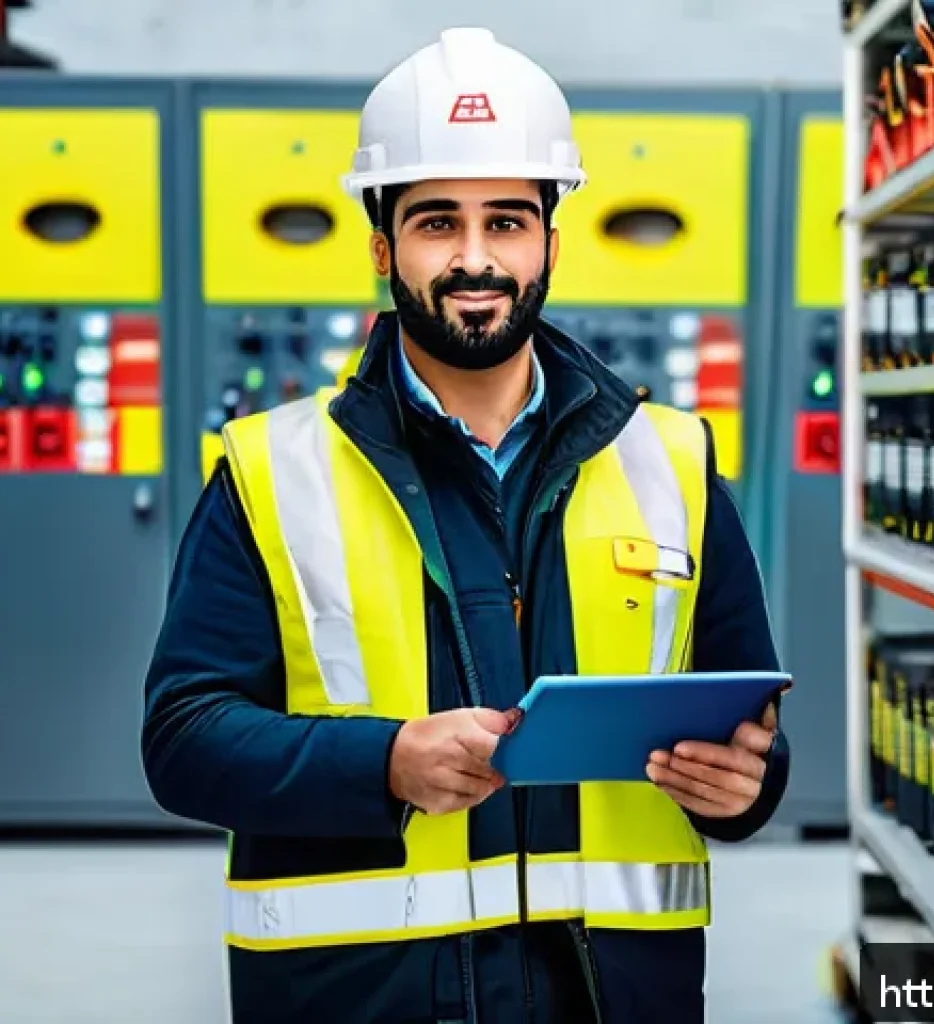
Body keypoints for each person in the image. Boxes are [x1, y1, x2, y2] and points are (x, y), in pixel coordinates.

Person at [141, 26, 790, 1024]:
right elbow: (185, 740)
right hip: (361, 998)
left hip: (609, 997)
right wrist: (385, 760)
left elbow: (750, 730)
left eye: (507, 222)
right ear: (382, 245)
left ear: (550, 241)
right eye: (438, 222)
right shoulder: (272, 470)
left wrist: (743, 784)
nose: (476, 259)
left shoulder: (671, 458)